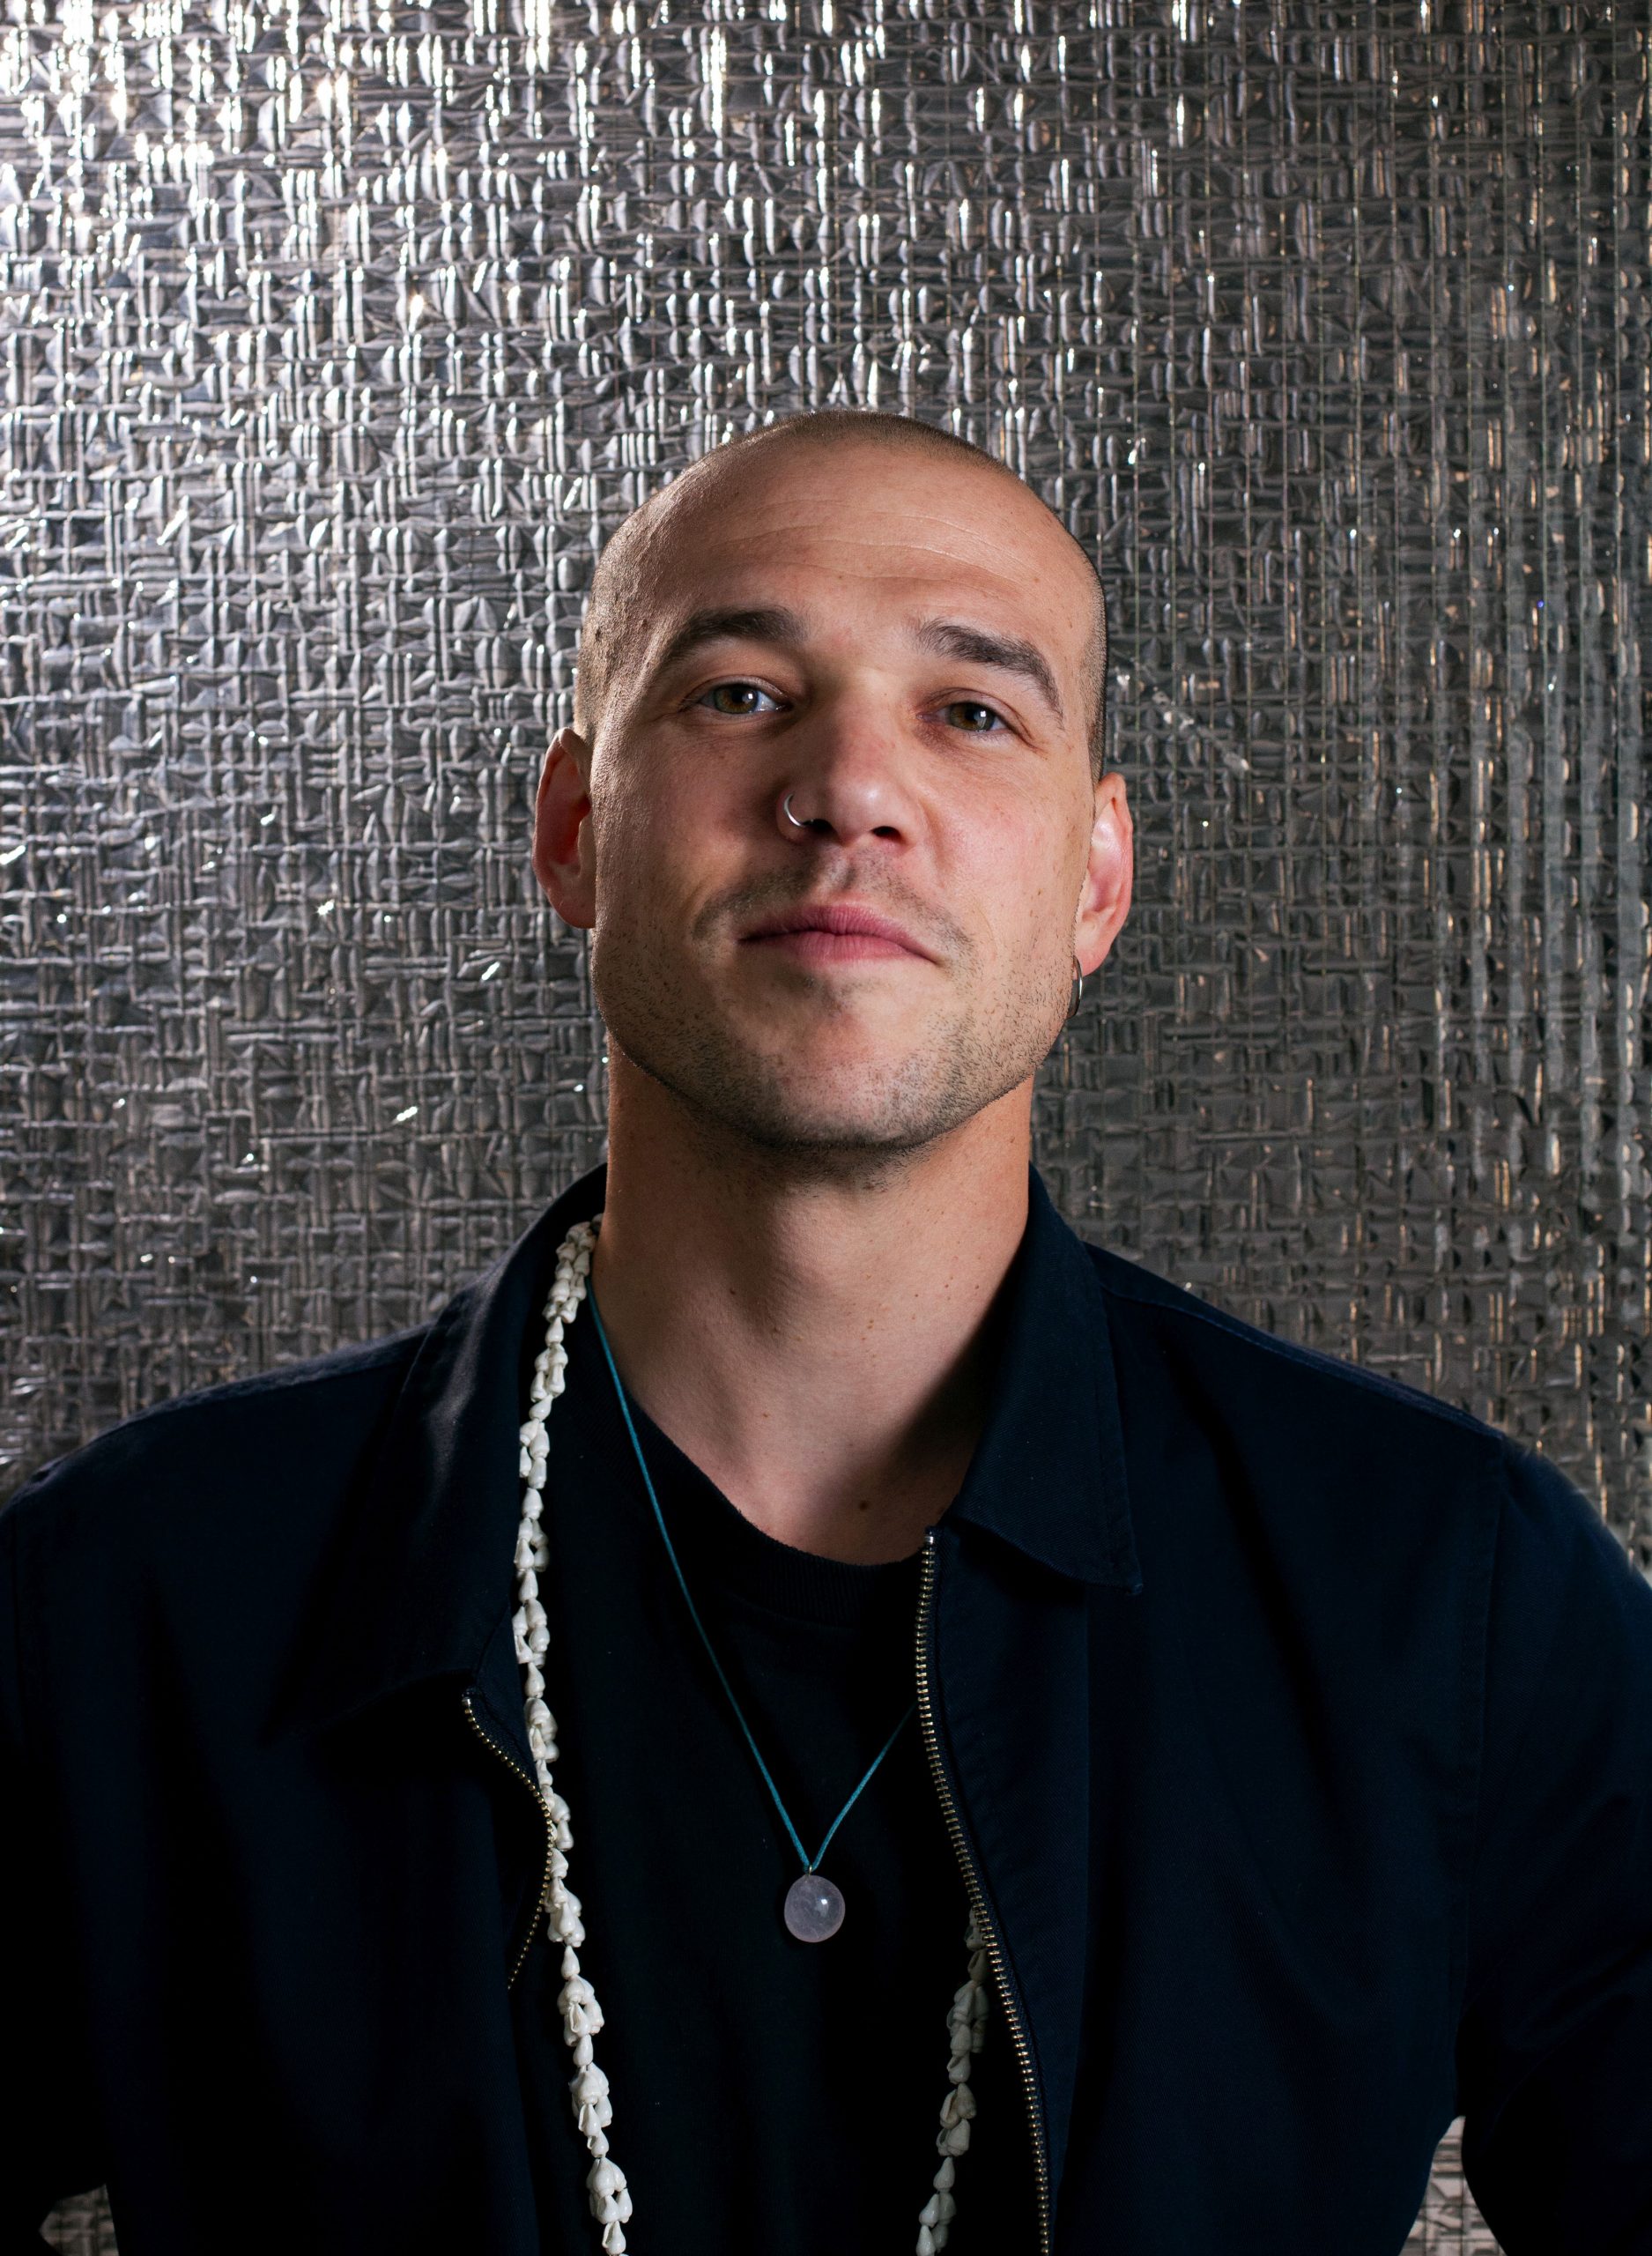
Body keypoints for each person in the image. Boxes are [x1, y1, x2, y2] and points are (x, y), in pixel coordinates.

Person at [3, 411, 1648, 2256]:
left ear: (1094, 879)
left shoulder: (1446, 1594)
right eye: (738, 694)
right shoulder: (129, 1601)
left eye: (971, 711)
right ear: (575, 832)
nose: (850, 785)